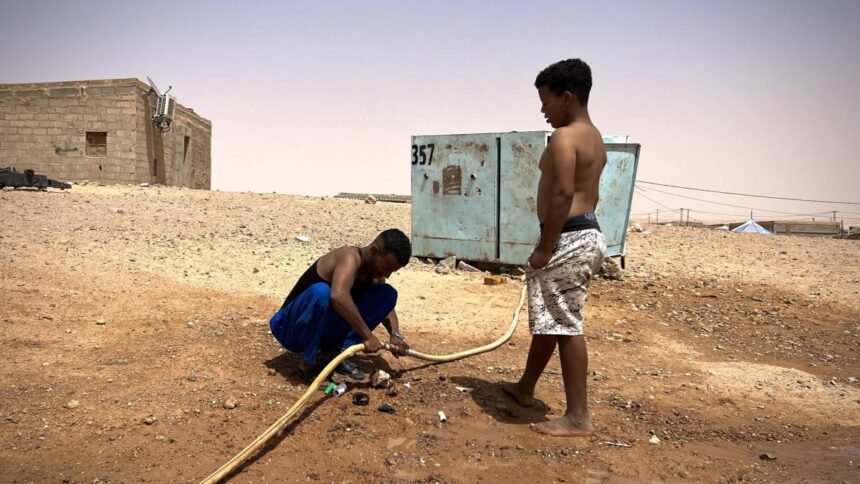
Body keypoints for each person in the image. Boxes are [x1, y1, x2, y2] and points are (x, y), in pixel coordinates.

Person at [502, 59, 608, 437]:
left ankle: (578, 416)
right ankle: (526, 388)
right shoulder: (594, 137)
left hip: (567, 236)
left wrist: (546, 247)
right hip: (584, 233)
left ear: (567, 97)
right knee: (553, 318)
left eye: (546, 101)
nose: (542, 109)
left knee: (565, 323)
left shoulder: (564, 138)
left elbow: (564, 193)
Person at [269, 228, 412, 381]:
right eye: (385, 268)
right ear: (374, 251)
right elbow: (338, 296)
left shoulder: (372, 273)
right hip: (289, 328)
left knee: (387, 294)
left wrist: (395, 335)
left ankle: (332, 351)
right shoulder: (349, 258)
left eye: (391, 271)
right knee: (322, 293)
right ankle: (308, 363)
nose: (386, 274)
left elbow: (387, 308)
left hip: (321, 330)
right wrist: (367, 336)